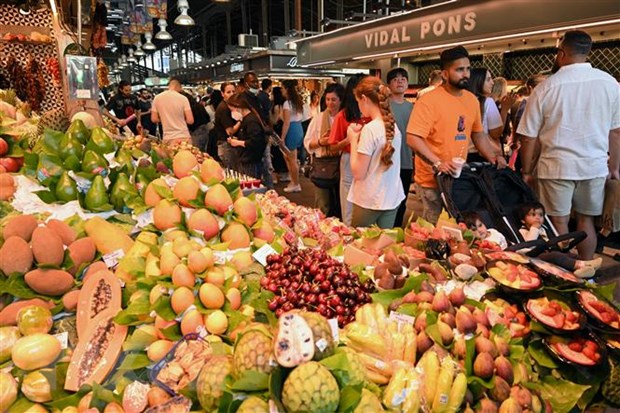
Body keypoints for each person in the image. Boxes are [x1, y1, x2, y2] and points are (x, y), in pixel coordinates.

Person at [517, 30, 620, 260]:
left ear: (561, 53)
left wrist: (526, 171)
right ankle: (586, 272)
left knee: (558, 222)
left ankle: (563, 271)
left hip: (556, 166)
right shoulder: (609, 84)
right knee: (586, 222)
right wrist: (614, 166)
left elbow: (528, 137)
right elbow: (616, 132)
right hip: (593, 166)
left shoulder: (546, 87)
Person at [407, 46, 507, 224]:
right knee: (434, 229)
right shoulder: (429, 101)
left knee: (456, 227)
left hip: (458, 179)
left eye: (468, 69)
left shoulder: (471, 100)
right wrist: (437, 162)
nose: (466, 74)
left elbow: (478, 135)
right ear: (445, 74)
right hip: (432, 180)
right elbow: (413, 138)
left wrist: (494, 156)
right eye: (459, 70)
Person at [347, 76, 405, 228]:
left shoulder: (370, 129)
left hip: (369, 199)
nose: (358, 106)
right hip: (391, 199)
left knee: (360, 246)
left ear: (364, 99)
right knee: (383, 247)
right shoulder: (393, 127)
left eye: (358, 101)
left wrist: (353, 140)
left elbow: (359, 173)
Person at [517, 202, 602, 278]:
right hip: (537, 256)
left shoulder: (544, 229)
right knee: (555, 255)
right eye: (533, 215)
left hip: (551, 251)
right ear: (523, 220)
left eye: (541, 215)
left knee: (570, 256)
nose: (538, 218)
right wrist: (534, 228)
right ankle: (583, 265)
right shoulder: (523, 231)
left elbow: (553, 242)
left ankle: (582, 269)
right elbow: (529, 244)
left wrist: (563, 244)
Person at [328, 74, 370, 225]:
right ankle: (349, 237)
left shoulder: (373, 115)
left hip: (370, 160)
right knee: (349, 204)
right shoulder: (343, 116)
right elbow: (332, 147)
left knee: (368, 203)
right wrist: (349, 140)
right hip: (349, 160)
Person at [304, 83, 345, 217]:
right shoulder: (318, 119)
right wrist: (321, 142)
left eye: (334, 99)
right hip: (323, 165)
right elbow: (307, 143)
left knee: (340, 204)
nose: (330, 103)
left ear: (341, 100)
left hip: (342, 164)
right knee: (323, 205)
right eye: (328, 99)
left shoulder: (345, 118)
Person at [387, 67, 414, 228]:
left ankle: (397, 230)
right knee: (388, 199)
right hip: (388, 160)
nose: (400, 81)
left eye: (403, 78)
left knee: (402, 200)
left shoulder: (412, 107)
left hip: (405, 161)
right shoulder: (385, 106)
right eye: (395, 79)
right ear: (388, 84)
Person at [465, 68, 510, 162]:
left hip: (463, 155)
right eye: (488, 79)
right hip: (483, 154)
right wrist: (505, 110)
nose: (492, 83)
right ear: (478, 82)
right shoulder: (488, 102)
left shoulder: (463, 101)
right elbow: (495, 134)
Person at [226, 93, 268, 179]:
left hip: (251, 161)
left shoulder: (251, 121)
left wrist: (238, 142)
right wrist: (238, 139)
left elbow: (256, 142)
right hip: (247, 160)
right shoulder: (246, 119)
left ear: (238, 106)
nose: (232, 112)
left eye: (232, 109)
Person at [280, 79, 305, 193]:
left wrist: (282, 138)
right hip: (298, 128)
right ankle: (294, 181)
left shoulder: (287, 104)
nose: (281, 90)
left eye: (282, 88)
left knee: (292, 159)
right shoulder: (297, 101)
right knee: (290, 158)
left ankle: (296, 183)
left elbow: (286, 122)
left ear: (287, 89)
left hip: (291, 130)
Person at [151, 78, 194, 143]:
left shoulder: (157, 98)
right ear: (179, 86)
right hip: (183, 136)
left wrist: (164, 119)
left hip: (167, 137)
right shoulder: (183, 98)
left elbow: (154, 119)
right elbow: (190, 121)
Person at [214, 82, 240, 168]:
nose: (232, 94)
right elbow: (230, 131)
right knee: (234, 174)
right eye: (228, 92)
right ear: (222, 94)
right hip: (227, 147)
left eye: (233, 91)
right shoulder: (224, 108)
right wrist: (241, 120)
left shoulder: (230, 106)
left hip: (228, 145)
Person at [270, 86, 289, 184]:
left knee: (276, 152)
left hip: (277, 130)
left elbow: (275, 120)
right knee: (283, 151)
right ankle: (285, 173)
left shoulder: (276, 107)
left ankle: (278, 173)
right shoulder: (284, 104)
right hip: (282, 129)